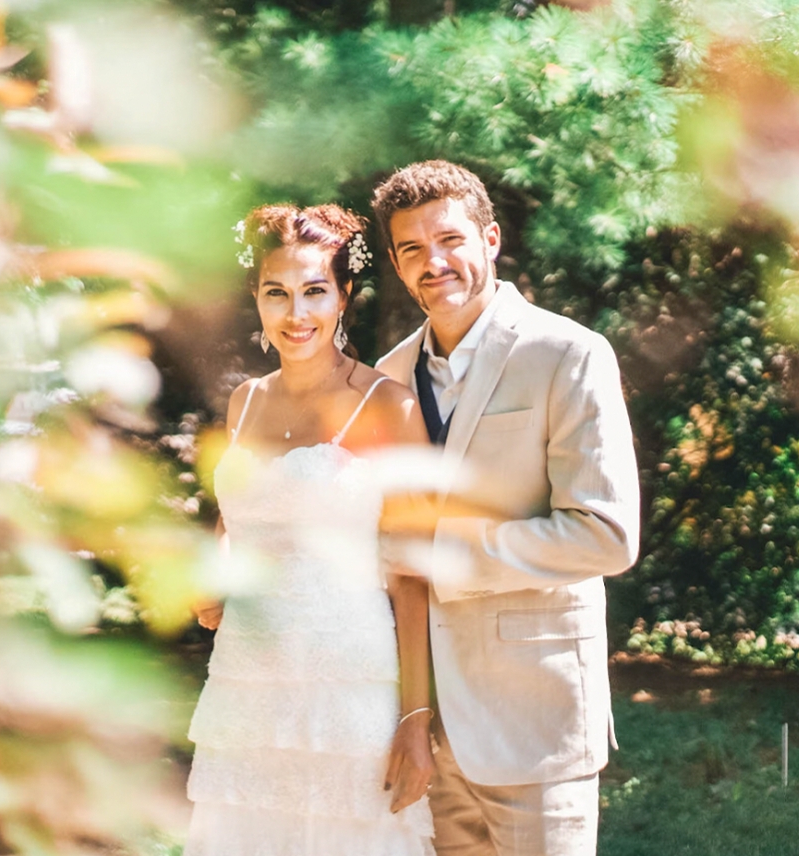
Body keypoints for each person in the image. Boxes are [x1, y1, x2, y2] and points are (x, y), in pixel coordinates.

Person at [372, 161, 641, 856]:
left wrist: (446, 556)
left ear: (490, 239)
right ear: (397, 266)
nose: (433, 262)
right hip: (428, 735)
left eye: (450, 240)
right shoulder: (387, 377)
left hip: (535, 720)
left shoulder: (569, 354)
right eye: (412, 249)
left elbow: (606, 534)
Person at [183, 203, 437, 856]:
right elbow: (239, 510)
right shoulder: (245, 402)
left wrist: (416, 719)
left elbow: (413, 576)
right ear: (257, 299)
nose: (297, 314)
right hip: (247, 681)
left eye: (315, 291)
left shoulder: (387, 405)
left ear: (344, 295)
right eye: (278, 293)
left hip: (348, 684)